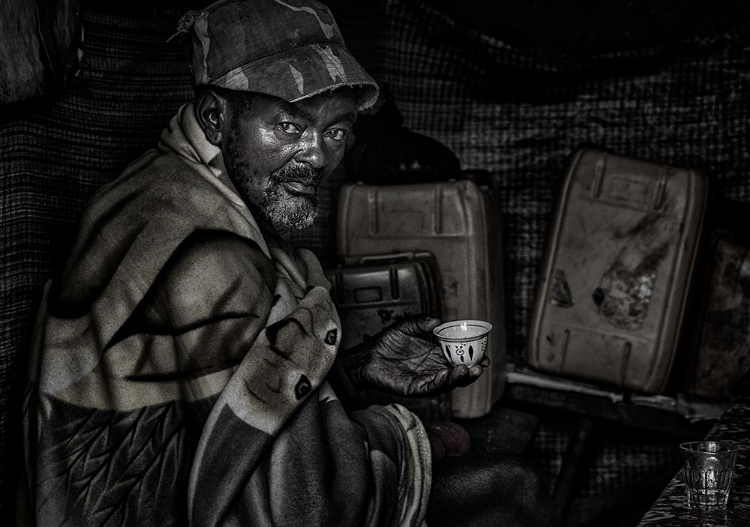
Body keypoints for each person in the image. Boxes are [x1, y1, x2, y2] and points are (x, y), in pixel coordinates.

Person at [20, 1, 548, 525]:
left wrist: (363, 368)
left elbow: (233, 412)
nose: (318, 155)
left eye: (336, 131)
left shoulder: (159, 190)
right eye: (290, 127)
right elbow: (306, 510)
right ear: (215, 116)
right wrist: (409, 436)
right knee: (511, 485)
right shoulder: (214, 254)